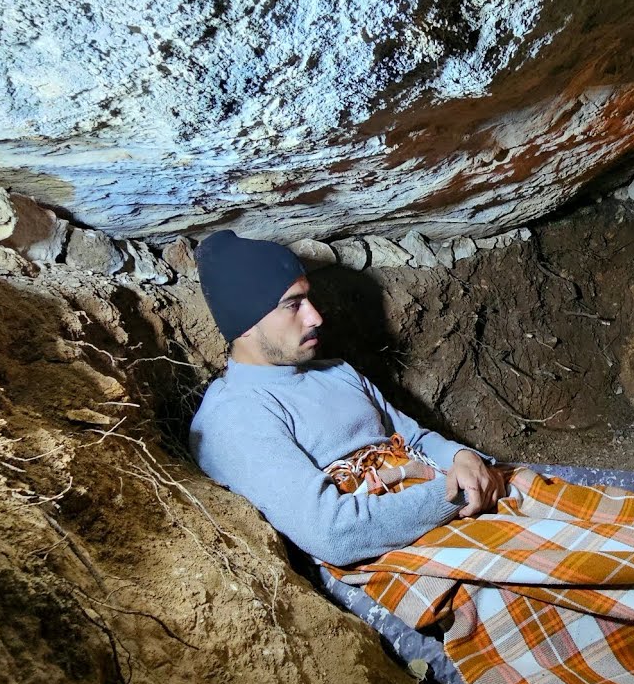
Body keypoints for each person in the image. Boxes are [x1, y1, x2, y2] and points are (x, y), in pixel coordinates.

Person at [188, 230, 506, 566]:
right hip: (389, 555)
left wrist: (462, 458)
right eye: (293, 305)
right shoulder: (234, 415)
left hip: (437, 499)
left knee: (541, 491)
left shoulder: (337, 371)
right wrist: (459, 492)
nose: (315, 317)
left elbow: (412, 439)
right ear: (245, 323)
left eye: (307, 299)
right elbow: (333, 534)